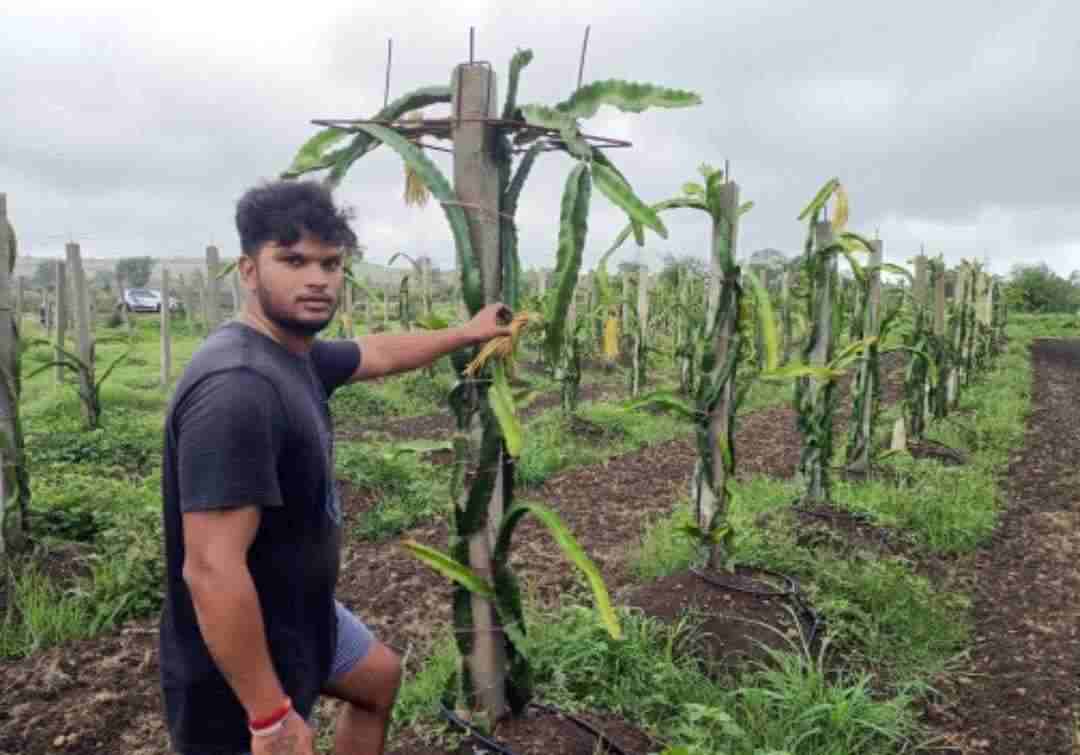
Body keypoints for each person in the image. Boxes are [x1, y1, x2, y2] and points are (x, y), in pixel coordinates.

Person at [158, 179, 510, 755]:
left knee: (377, 679)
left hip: (304, 614)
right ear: (249, 271)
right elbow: (211, 569)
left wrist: (469, 333)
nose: (317, 278)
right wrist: (270, 714)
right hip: (243, 650)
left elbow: (376, 352)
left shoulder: (292, 354)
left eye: (330, 262)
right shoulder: (238, 389)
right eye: (292, 260)